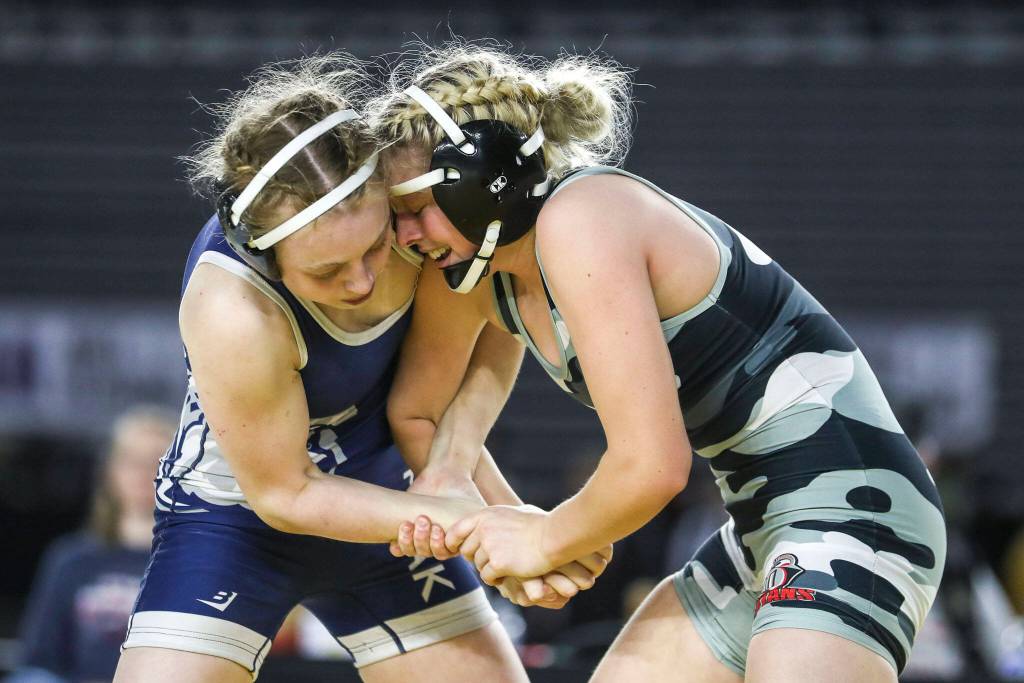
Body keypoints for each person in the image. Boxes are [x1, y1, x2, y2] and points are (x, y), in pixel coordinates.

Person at [379, 44, 947, 683]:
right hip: (760, 533)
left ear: (485, 180)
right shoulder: (481, 269)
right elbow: (428, 408)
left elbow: (652, 466)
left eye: (414, 207)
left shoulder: (583, 219)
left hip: (854, 509)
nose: (403, 236)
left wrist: (547, 540)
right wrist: (509, 522)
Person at [113, 54, 601, 683]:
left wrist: (496, 511)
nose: (361, 280)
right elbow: (286, 493)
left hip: (391, 494)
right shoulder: (231, 308)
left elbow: (490, 322)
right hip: (239, 520)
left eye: (375, 246)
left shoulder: (415, 222)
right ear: (265, 257)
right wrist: (484, 522)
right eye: (324, 272)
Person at [8, 407, 176, 683]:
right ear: (111, 469)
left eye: (156, 459)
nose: (142, 472)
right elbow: (40, 658)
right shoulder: (73, 559)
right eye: (130, 459)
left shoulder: (194, 562)